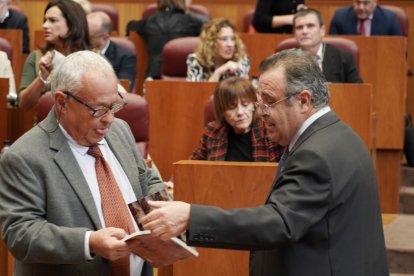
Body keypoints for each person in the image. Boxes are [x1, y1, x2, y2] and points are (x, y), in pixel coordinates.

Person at [140, 49, 389, 276]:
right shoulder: (336, 135)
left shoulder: (316, 154)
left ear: (303, 101)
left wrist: (191, 217)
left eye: (269, 102)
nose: (260, 112)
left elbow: (280, 223)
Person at [0, 50, 165, 276]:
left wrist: (163, 207)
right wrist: (89, 242)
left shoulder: (120, 131)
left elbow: (144, 178)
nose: (109, 119)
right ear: (62, 102)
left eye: (114, 105)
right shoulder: (24, 156)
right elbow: (20, 233)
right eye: (98, 109)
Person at [18, 0, 90, 111]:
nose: (45, 25)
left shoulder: (94, 58)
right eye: (45, 20)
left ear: (72, 24)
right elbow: (23, 104)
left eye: (52, 20)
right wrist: (42, 76)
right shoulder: (36, 57)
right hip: (47, 125)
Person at [191, 76, 284, 161]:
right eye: (232, 107)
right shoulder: (213, 132)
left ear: (253, 105)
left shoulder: (269, 130)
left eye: (245, 104)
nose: (240, 112)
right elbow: (192, 169)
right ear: (222, 110)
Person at [126, 0, 204, 79]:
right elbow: (209, 28)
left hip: (153, 75)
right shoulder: (191, 22)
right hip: (184, 75)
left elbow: (130, 26)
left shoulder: (150, 21)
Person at [293, 8, 362, 83]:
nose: (304, 31)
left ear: (322, 30)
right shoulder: (284, 60)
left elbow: (359, 91)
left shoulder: (343, 58)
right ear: (294, 33)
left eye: (310, 26)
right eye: (299, 27)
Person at [186, 18, 250, 82]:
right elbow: (195, 91)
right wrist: (218, 72)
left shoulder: (241, 60)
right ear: (211, 42)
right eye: (224, 39)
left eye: (233, 39)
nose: (230, 44)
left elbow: (240, 91)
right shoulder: (197, 60)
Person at [88, 11, 137, 92]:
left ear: (104, 38)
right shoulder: (75, 49)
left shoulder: (125, 57)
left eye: (89, 36)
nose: (82, 38)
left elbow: (123, 90)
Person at [329, 0, 402, 36]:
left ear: (375, 2)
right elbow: (331, 49)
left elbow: (400, 50)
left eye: (366, 3)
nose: (361, 7)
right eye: (357, 2)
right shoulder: (340, 17)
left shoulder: (390, 19)